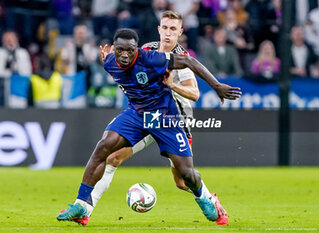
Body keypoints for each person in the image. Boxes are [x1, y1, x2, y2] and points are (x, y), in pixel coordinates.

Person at [57, 28, 241, 226]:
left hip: (163, 116)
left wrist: (217, 86)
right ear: (114, 49)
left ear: (137, 49)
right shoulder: (110, 62)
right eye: (120, 50)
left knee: (186, 175)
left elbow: (189, 61)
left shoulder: (152, 59)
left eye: (130, 50)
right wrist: (106, 60)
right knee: (104, 147)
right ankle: (81, 204)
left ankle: (205, 198)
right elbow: (116, 68)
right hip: (136, 115)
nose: (125, 54)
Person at [67, 10, 200, 226]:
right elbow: (127, 70)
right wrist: (111, 62)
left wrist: (171, 85)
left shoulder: (182, 59)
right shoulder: (145, 50)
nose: (168, 33)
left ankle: (209, 199)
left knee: (182, 181)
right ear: (159, 29)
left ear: (180, 32)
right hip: (144, 116)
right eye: (165, 27)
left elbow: (194, 94)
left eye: (173, 29)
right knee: (112, 158)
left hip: (170, 120)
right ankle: (85, 210)